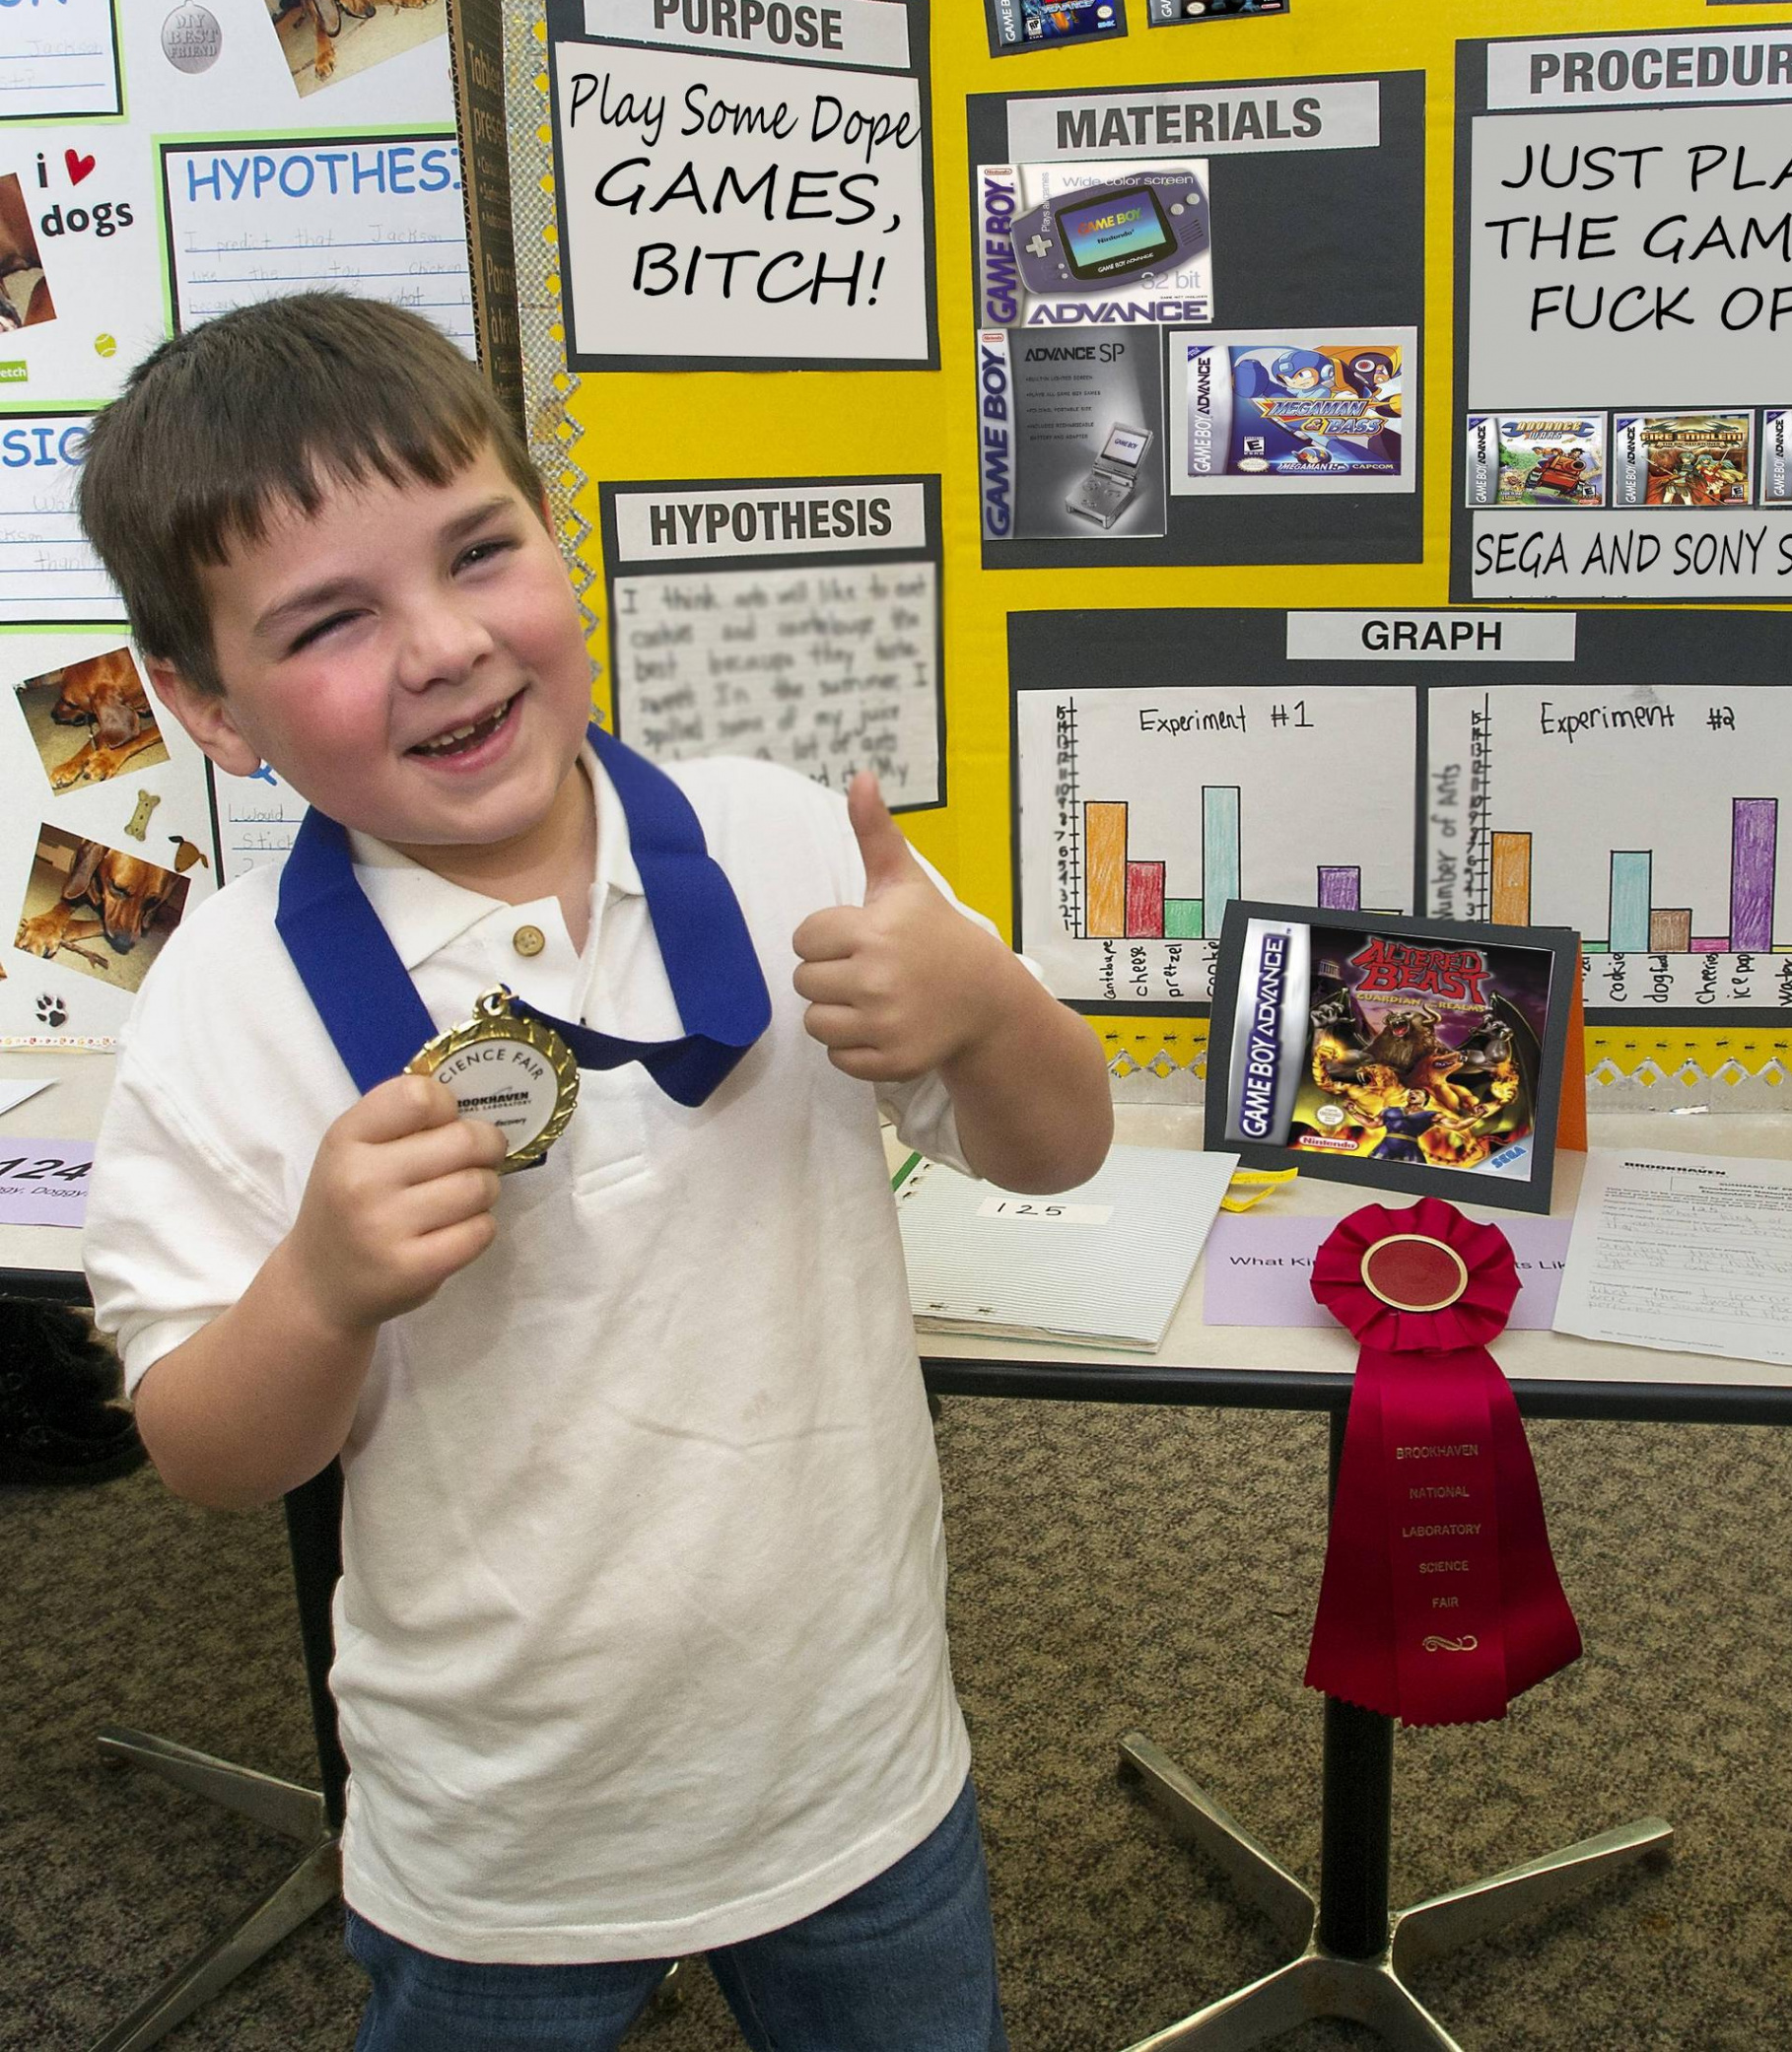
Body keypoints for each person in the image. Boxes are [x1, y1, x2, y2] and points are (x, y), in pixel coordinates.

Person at [76, 293, 1113, 2051]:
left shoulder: (788, 839)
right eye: (330, 620)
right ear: (207, 706)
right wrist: (318, 1291)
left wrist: (987, 1007)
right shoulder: (226, 999)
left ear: (553, 539)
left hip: (856, 1761)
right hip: (496, 1834)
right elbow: (209, 1456)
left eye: (480, 552)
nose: (443, 647)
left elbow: (1058, 1147)